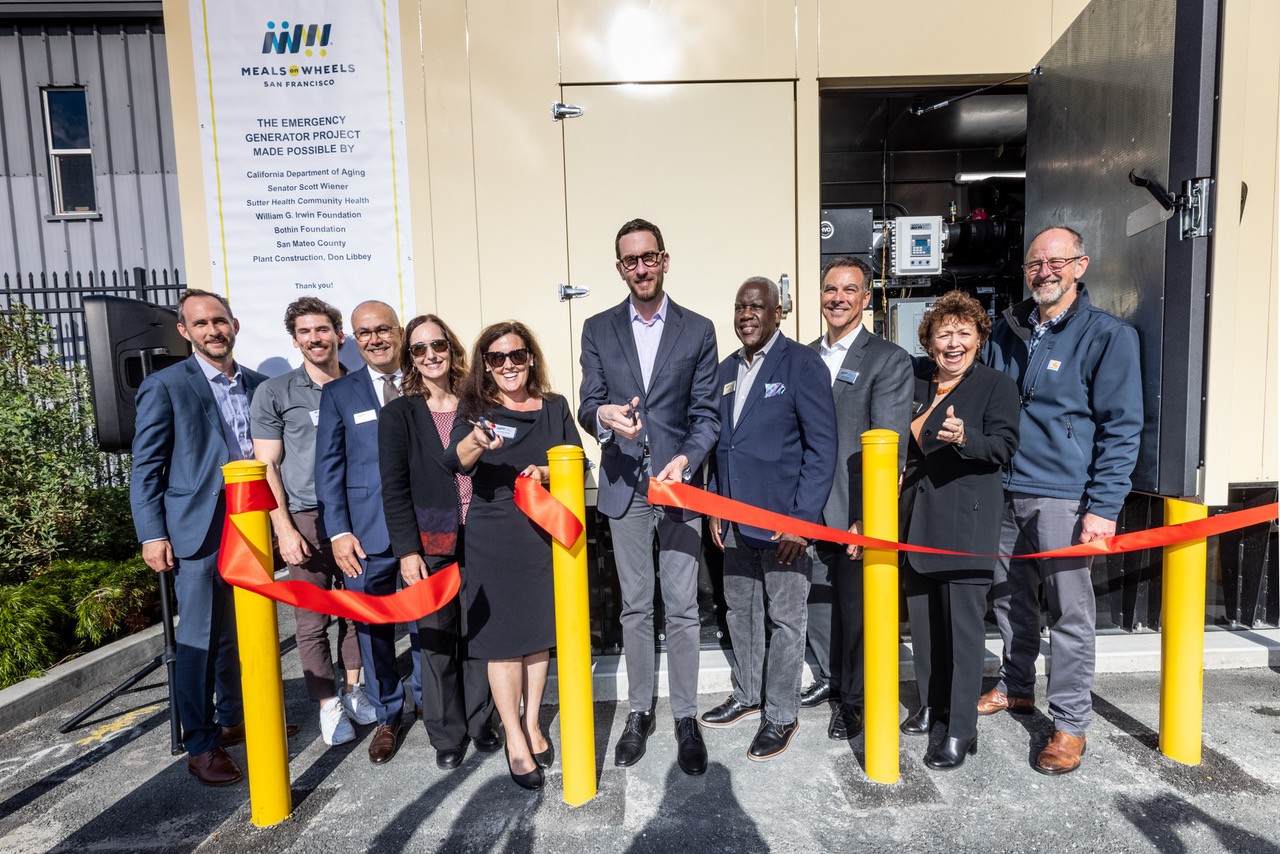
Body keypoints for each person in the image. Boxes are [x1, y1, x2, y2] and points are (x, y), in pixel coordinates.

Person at [982, 225, 1142, 776]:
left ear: (1081, 265)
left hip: (1066, 499)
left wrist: (1103, 507)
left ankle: (1070, 724)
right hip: (1005, 490)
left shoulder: (1108, 336)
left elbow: (1123, 428)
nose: (1043, 271)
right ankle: (1017, 686)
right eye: (1034, 264)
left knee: (1069, 614)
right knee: (1008, 600)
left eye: (1056, 261)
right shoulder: (1008, 330)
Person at [577, 218, 719, 776]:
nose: (640, 268)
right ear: (620, 268)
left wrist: (687, 460)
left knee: (682, 607)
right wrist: (604, 418)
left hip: (678, 485)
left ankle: (685, 715)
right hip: (624, 486)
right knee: (635, 606)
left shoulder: (698, 329)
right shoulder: (597, 327)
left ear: (664, 259)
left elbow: (706, 414)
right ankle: (640, 710)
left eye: (649, 257)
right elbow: (590, 403)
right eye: (630, 261)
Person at [130, 288, 265, 786]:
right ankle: (200, 743)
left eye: (220, 321)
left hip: (252, 529)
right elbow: (146, 468)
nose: (213, 331)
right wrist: (151, 534)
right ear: (185, 332)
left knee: (240, 635)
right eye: (201, 324)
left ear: (235, 324)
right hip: (197, 531)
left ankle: (232, 721)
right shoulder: (166, 386)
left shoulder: (258, 385)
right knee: (198, 642)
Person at [701, 277, 837, 761]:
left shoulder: (802, 364)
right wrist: (716, 503)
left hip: (785, 526)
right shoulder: (725, 370)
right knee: (741, 612)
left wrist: (802, 521)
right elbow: (722, 445)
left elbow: (822, 450)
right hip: (734, 520)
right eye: (740, 306)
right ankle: (747, 694)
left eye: (757, 306)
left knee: (785, 618)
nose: (746, 315)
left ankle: (780, 712)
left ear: (778, 312)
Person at [445, 321, 582, 791]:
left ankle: (533, 720)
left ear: (530, 358)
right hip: (494, 533)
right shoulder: (477, 409)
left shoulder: (556, 406)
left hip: (540, 534)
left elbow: (577, 462)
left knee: (537, 636)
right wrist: (476, 441)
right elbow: (453, 461)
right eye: (498, 357)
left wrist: (546, 469)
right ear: (485, 363)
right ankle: (514, 738)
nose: (508, 365)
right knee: (504, 641)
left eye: (517, 355)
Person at [899, 291, 1020, 770]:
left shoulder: (995, 385)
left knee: (964, 633)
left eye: (963, 333)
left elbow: (1004, 445)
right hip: (918, 521)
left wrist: (966, 437)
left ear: (979, 338)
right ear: (929, 342)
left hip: (967, 523)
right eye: (943, 333)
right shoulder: (917, 382)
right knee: (926, 626)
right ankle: (932, 705)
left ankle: (962, 731)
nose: (953, 342)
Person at [250, 297, 376, 747]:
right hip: (303, 518)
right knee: (311, 620)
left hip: (357, 513)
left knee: (357, 612)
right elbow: (266, 467)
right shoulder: (275, 392)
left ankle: (355, 689)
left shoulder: (362, 386)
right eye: (305, 332)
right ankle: (328, 706)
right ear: (295, 340)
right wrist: (282, 528)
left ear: (339, 334)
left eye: (322, 329)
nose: (315, 339)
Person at [378, 314, 500, 770]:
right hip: (430, 545)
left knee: (480, 636)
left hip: (483, 537)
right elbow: (393, 488)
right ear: (410, 358)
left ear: (452, 349)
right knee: (435, 641)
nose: (431, 355)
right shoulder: (399, 414)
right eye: (419, 348)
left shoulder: (479, 404)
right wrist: (407, 551)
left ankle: (479, 722)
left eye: (438, 345)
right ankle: (447, 735)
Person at [803, 256, 913, 742]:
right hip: (807, 509)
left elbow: (887, 446)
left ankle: (854, 700)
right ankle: (831, 681)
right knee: (820, 605)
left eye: (850, 290)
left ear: (866, 299)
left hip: (851, 510)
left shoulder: (887, 360)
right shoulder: (803, 357)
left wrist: (867, 516)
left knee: (855, 610)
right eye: (830, 289)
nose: (838, 298)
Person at [314, 300, 419, 766]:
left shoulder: (424, 382)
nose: (374, 338)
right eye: (363, 332)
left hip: (422, 530)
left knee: (427, 625)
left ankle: (434, 708)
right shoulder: (340, 393)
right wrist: (337, 532)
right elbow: (329, 468)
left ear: (399, 332)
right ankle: (387, 716)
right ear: (352, 339)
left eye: (382, 329)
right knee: (374, 630)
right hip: (364, 535)